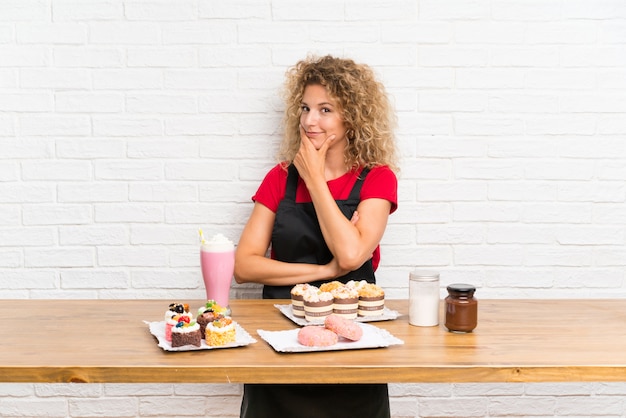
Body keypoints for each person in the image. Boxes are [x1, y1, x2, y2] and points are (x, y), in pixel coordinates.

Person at [234, 54, 399, 418]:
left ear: (352, 115)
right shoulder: (280, 177)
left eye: (326, 109)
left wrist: (314, 178)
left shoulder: (377, 178)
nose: (310, 120)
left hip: (351, 340)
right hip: (280, 337)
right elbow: (244, 266)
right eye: (306, 108)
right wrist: (326, 271)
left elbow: (353, 255)